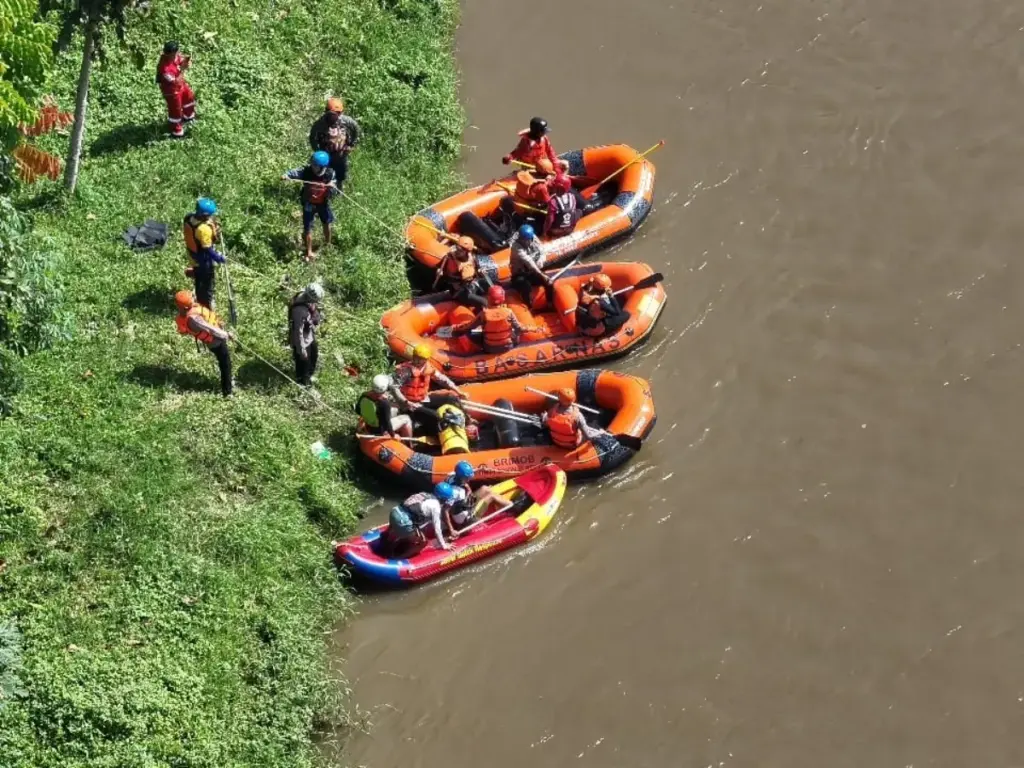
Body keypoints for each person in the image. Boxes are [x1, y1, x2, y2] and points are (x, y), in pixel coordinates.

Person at [173, 290, 233, 397]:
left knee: (224, 362)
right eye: (191, 298)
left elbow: (183, 331)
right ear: (186, 306)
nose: (193, 297)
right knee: (225, 364)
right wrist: (226, 335)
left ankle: (227, 387)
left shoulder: (184, 314)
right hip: (216, 342)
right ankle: (227, 391)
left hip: (215, 340)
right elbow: (210, 329)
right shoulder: (194, 319)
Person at [281, 151, 338, 262]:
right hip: (309, 203)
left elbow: (334, 190)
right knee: (308, 228)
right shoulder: (306, 171)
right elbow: (294, 173)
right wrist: (286, 175)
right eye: (312, 163)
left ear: (322, 167)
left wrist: (331, 187)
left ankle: (328, 243)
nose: (312, 166)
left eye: (315, 165)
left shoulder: (330, 174)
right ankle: (309, 251)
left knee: (326, 222)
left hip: (323, 203)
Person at [454, 285, 534, 354]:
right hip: (507, 346)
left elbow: (469, 326)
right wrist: (532, 328)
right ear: (503, 298)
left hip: (489, 348)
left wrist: (456, 327)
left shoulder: (484, 313)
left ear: (488, 298)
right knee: (516, 331)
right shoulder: (508, 312)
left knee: (470, 333)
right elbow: (519, 328)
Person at [391, 344, 464, 419]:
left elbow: (442, 379)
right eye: (416, 357)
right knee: (435, 415)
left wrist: (457, 390)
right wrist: (405, 402)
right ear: (413, 356)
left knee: (451, 398)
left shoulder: (429, 368)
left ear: (426, 360)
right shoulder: (405, 370)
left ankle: (467, 420)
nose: (417, 361)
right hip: (408, 403)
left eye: (421, 359)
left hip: (423, 400)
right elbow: (394, 387)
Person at [384, 484, 455, 558]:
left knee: (406, 529)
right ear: (443, 499)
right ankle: (398, 559)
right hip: (403, 522)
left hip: (394, 511)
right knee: (423, 542)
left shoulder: (424, 494)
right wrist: (444, 545)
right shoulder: (436, 507)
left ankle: (386, 540)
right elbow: (437, 530)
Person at [308, 97, 361, 191]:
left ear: (341, 113)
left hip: (341, 152)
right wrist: (317, 150)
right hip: (326, 153)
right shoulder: (320, 124)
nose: (334, 116)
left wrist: (352, 143)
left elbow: (356, 129)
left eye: (337, 113)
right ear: (326, 112)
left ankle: (340, 189)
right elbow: (312, 137)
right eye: (331, 114)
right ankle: (325, 190)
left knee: (341, 171)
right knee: (325, 173)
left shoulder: (346, 121)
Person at [182, 197, 224, 309]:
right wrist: (218, 257)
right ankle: (205, 304)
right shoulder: (203, 230)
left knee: (198, 272)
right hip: (202, 259)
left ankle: (195, 272)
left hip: (192, 253)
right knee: (206, 282)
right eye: (209, 215)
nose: (211, 217)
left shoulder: (188, 217)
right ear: (204, 215)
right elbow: (208, 250)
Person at [156, 41, 195, 138]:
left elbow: (180, 60)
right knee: (175, 110)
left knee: (189, 98)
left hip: (181, 86)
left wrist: (186, 62)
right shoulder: (164, 68)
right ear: (170, 53)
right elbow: (175, 81)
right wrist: (182, 69)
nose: (178, 53)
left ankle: (188, 117)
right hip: (171, 91)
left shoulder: (175, 56)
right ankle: (177, 131)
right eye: (176, 52)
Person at [355, 374, 413, 439]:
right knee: (406, 418)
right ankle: (409, 443)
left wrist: (368, 416)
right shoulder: (384, 403)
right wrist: (393, 435)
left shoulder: (364, 395)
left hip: (369, 425)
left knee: (395, 409)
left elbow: (358, 410)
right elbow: (387, 424)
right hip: (380, 430)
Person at [509, 224, 554, 308]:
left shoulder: (534, 238)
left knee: (549, 282)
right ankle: (528, 306)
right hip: (520, 274)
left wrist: (541, 260)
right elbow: (529, 262)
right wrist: (541, 274)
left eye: (525, 240)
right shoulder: (516, 247)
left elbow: (542, 251)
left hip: (532, 272)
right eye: (521, 239)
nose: (523, 241)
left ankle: (550, 303)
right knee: (526, 287)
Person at [434, 236, 487, 306]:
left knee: (488, 286)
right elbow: (441, 269)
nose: (457, 250)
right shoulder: (449, 258)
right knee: (484, 302)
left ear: (467, 251)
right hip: (459, 291)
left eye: (461, 249)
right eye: (457, 247)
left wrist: (480, 271)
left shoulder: (472, 257)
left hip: (471, 285)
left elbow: (477, 269)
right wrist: (440, 272)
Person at [289, 282, 323, 386]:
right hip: (302, 340)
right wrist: (302, 350)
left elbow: (313, 310)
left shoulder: (305, 296)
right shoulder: (299, 311)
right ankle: (303, 381)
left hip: (309, 335)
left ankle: (310, 375)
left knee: (314, 354)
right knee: (304, 362)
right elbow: (298, 332)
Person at [543, 174, 581, 238]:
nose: (552, 186)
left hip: (556, 231)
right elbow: (572, 212)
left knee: (544, 219)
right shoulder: (572, 197)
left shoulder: (553, 201)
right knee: (579, 211)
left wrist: (545, 231)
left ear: (559, 188)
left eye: (554, 185)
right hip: (570, 229)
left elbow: (550, 219)